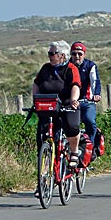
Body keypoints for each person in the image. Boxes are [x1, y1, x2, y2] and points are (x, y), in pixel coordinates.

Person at [32, 40, 81, 171]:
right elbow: (36, 84)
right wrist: (35, 99)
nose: (49, 56)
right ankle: (44, 177)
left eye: (52, 53)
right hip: (47, 105)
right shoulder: (45, 68)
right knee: (42, 138)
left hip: (66, 105)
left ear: (62, 55)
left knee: (72, 126)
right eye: (49, 53)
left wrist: (73, 100)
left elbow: (75, 85)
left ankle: (74, 152)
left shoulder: (71, 68)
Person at [70, 42, 102, 152]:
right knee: (70, 125)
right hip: (71, 102)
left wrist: (96, 94)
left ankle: (91, 148)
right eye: (74, 54)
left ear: (84, 54)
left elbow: (95, 81)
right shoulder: (67, 66)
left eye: (80, 54)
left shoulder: (90, 65)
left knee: (90, 121)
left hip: (86, 100)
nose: (77, 56)